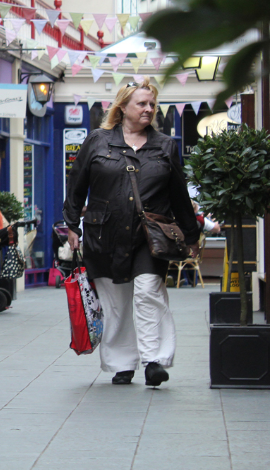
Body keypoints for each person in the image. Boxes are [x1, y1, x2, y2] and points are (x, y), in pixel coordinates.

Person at [63, 80, 199, 387]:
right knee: (117, 302)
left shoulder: (164, 146)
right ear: (123, 107)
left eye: (152, 104)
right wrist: (72, 224)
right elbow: (77, 184)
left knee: (149, 291)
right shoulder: (98, 140)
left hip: (149, 237)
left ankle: (154, 360)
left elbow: (178, 194)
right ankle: (122, 363)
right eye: (142, 104)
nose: (149, 109)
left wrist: (191, 236)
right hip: (104, 234)